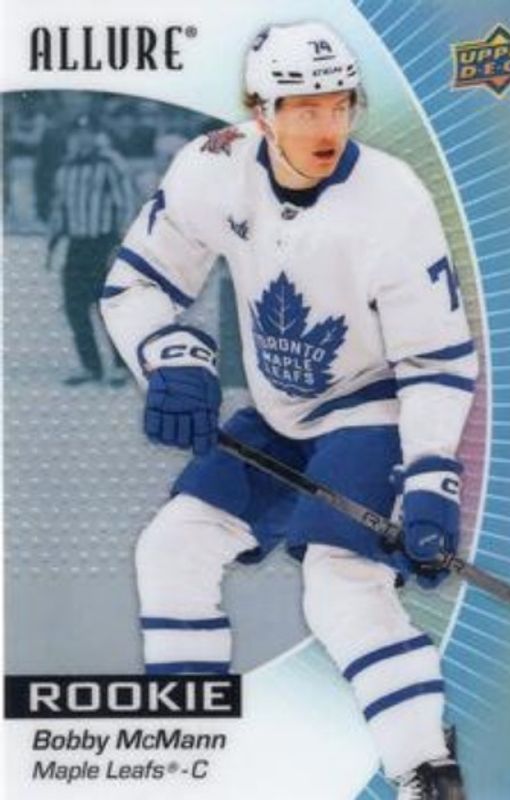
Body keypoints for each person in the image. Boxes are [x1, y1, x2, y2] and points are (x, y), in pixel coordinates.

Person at [100, 21, 478, 800]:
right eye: (304, 109)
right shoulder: (214, 168)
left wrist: (429, 479)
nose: (326, 126)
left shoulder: (392, 199)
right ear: (260, 112)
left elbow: (435, 358)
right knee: (172, 549)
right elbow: (136, 282)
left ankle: (423, 765)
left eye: (339, 104)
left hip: (369, 409)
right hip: (278, 415)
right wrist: (169, 356)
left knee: (340, 583)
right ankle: (185, 749)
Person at [48, 113, 135, 385]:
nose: (81, 138)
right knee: (74, 306)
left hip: (104, 241)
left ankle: (121, 365)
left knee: (108, 305)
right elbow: (60, 207)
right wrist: (54, 241)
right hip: (77, 244)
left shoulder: (110, 163)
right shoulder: (66, 168)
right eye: (77, 133)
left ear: (97, 135)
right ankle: (90, 366)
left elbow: (126, 203)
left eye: (87, 133)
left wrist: (123, 243)